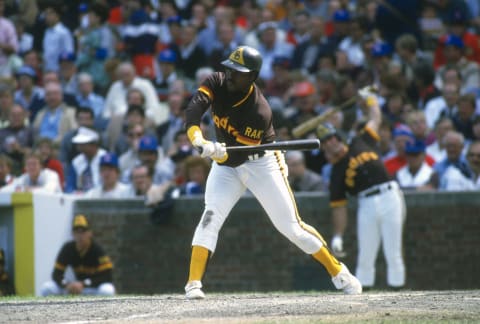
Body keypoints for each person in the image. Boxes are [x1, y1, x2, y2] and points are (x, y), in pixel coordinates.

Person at [182, 45, 361, 300]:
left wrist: (218, 152)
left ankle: (339, 272)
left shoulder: (259, 111)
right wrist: (198, 138)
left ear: (252, 77)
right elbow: (193, 110)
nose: (231, 75)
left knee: (291, 227)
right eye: (230, 68)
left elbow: (239, 154)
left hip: (260, 163)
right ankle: (193, 284)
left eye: (239, 72)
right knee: (210, 215)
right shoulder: (216, 81)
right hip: (225, 166)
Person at [317, 86, 407, 290]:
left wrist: (371, 100)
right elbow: (339, 206)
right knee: (366, 253)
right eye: (326, 142)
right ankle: (365, 296)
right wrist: (338, 235)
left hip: (389, 194)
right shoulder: (336, 173)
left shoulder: (359, 141)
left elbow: (376, 119)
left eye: (332, 138)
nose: (331, 143)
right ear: (323, 149)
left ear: (338, 137)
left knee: (393, 250)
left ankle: (399, 294)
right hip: (366, 202)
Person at [41, 214, 115, 296]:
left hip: (91, 288)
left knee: (107, 290)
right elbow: (56, 274)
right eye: (77, 232)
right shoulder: (68, 248)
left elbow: (107, 276)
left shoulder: (97, 250)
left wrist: (84, 283)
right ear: (73, 234)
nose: (80, 236)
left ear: (90, 233)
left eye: (83, 232)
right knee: (47, 288)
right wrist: (67, 284)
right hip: (73, 288)